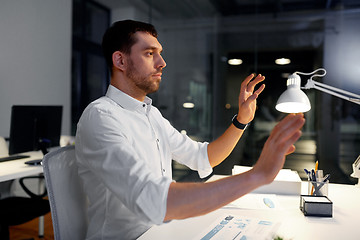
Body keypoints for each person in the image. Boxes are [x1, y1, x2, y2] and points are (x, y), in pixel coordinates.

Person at [75, 19, 305, 240]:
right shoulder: (101, 117)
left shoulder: (150, 114)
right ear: (120, 61)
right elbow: (155, 200)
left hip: (162, 233)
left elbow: (202, 157)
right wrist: (257, 175)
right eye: (149, 53)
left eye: (160, 53)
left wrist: (241, 121)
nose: (161, 63)